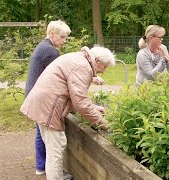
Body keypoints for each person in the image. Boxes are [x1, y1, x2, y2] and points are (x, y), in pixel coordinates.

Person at [20, 46, 115, 180]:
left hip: (44, 104)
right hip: (49, 107)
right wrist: (104, 123)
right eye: (105, 67)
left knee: (54, 146)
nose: (104, 72)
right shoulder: (83, 67)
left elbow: (74, 94)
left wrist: (93, 106)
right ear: (97, 60)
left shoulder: (79, 58)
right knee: (55, 150)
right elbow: (80, 102)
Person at [24, 20, 71, 176]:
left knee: (40, 132)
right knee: (44, 133)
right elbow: (60, 76)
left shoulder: (43, 46)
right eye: (62, 37)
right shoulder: (50, 51)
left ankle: (41, 166)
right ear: (52, 34)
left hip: (32, 94)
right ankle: (44, 166)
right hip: (39, 97)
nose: (64, 41)